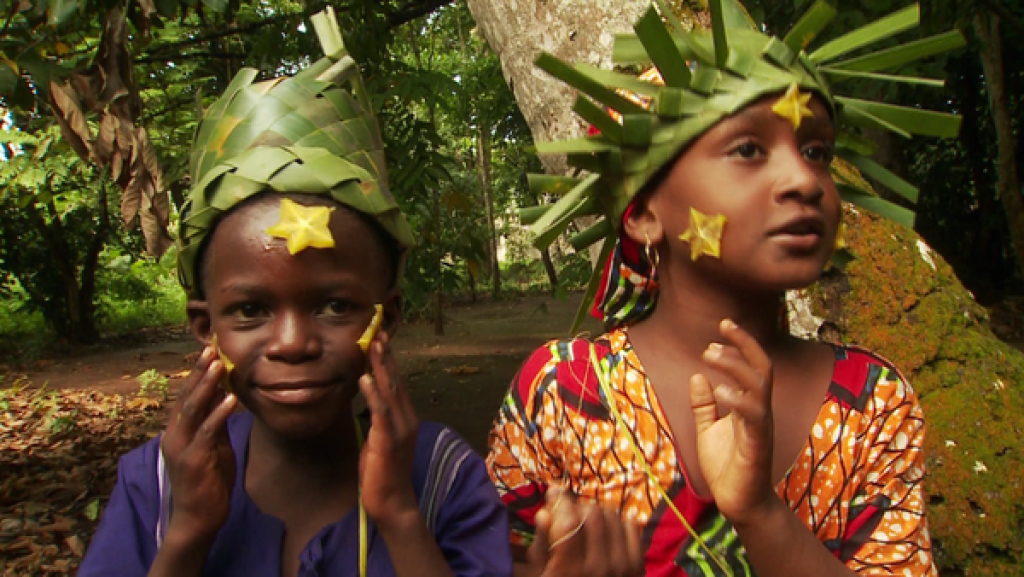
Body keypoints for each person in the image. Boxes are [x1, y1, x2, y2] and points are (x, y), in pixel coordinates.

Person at [487, 1, 963, 575]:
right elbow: (494, 559)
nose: (802, 181)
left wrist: (760, 513)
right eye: (748, 150)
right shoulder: (566, 392)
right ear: (641, 212)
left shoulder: (874, 403)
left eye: (816, 152)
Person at [79, 8, 512, 577]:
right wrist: (187, 531)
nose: (292, 344)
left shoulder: (440, 478)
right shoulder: (153, 487)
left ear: (388, 317)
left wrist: (400, 516)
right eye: (251, 310)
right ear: (206, 327)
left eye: (335, 306)